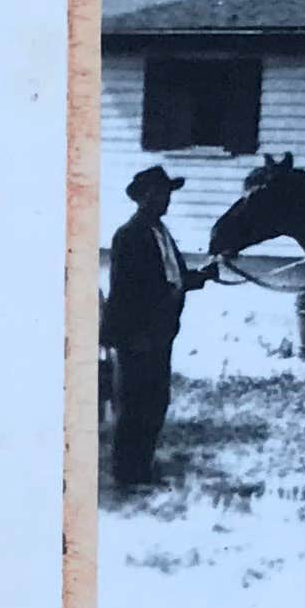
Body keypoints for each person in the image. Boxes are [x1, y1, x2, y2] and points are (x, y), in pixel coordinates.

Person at [101, 164, 208, 487]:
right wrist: (128, 337)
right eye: (160, 194)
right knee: (133, 405)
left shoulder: (161, 233)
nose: (166, 200)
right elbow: (124, 291)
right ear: (144, 197)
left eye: (168, 194)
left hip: (161, 334)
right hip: (137, 336)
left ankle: (142, 467)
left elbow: (174, 278)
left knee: (156, 402)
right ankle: (126, 475)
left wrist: (206, 274)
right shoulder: (129, 235)